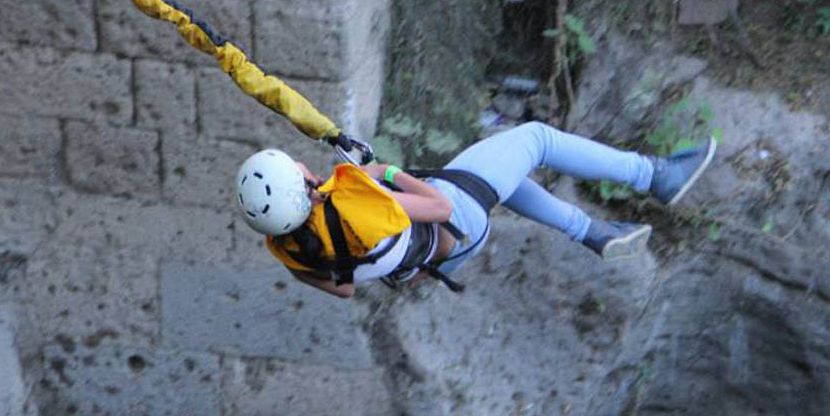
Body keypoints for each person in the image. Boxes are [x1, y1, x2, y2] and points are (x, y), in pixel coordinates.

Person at [235, 121, 716, 299]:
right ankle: (654, 175)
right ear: (301, 186)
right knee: (535, 139)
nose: (299, 161)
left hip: (433, 260)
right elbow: (436, 203)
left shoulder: (288, 250)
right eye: (293, 166)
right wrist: (385, 173)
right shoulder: (354, 199)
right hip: (455, 219)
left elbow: (343, 291)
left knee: (500, 180)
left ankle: (594, 233)